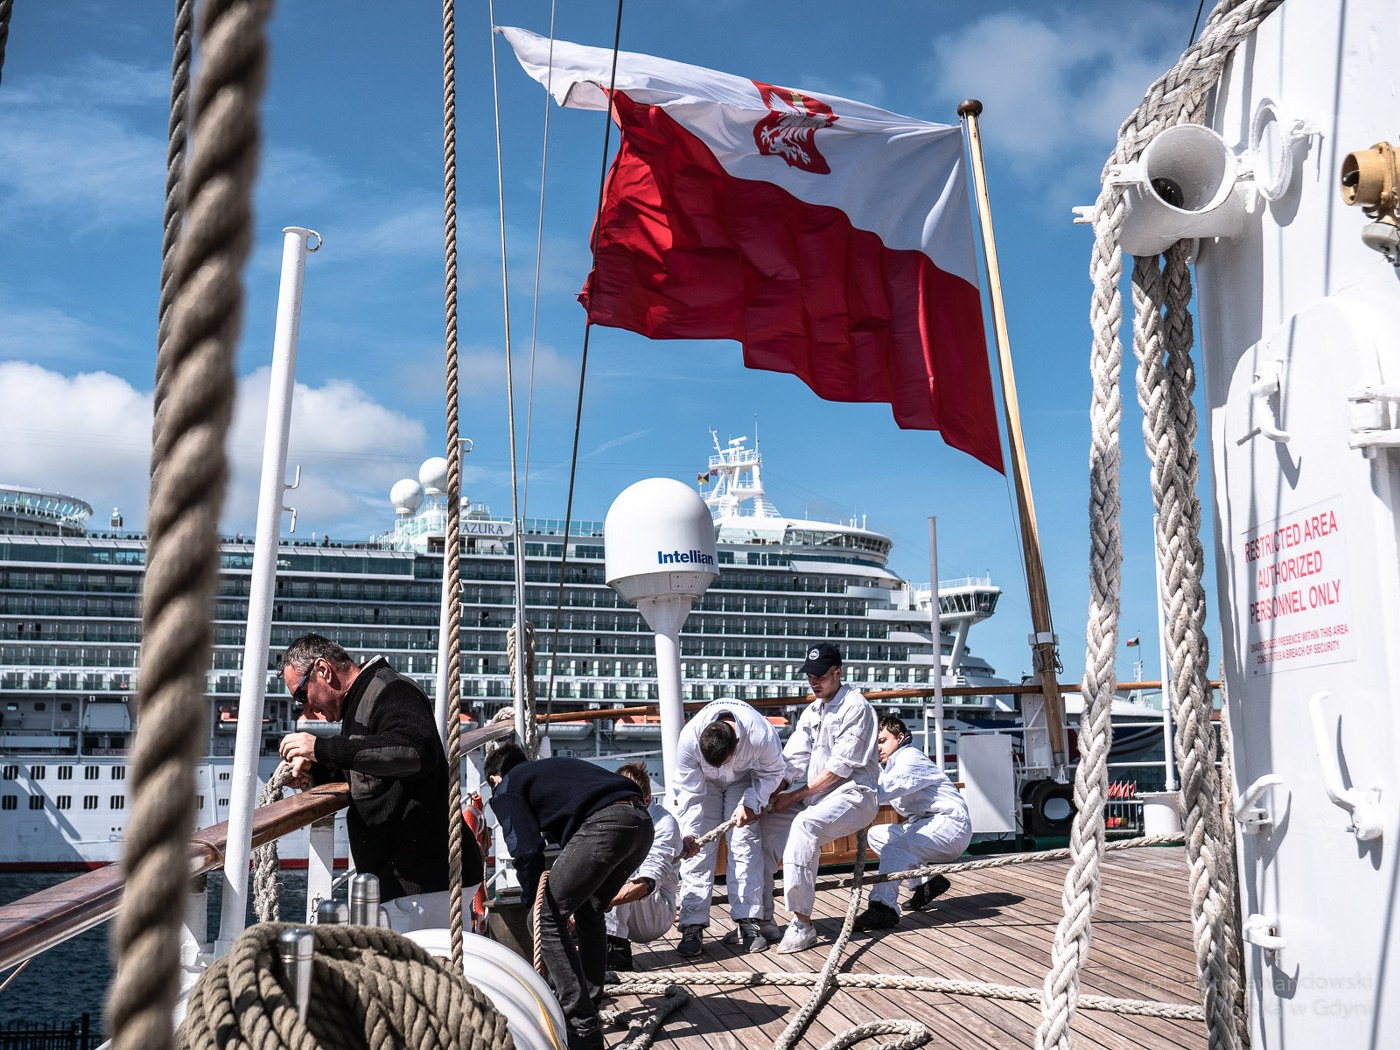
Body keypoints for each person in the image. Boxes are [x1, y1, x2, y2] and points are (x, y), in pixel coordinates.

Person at [276, 634, 481, 932]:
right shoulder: (365, 699)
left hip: (421, 886)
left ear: (323, 670)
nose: (305, 707)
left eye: (301, 694)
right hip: (421, 882)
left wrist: (320, 747)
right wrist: (315, 772)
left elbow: (416, 752)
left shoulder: (391, 690)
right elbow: (374, 766)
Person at [486, 742, 654, 1050]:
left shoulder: (507, 787)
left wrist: (532, 900)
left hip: (607, 824)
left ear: (494, 778)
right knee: (590, 911)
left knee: (544, 917)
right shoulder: (544, 772)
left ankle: (581, 1026)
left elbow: (526, 850)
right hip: (641, 824)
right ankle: (590, 1003)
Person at [761, 642, 880, 954]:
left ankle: (802, 923)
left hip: (855, 795)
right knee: (765, 828)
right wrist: (770, 795)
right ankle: (763, 917)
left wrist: (793, 796)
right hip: (818, 797)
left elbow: (839, 769)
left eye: (821, 676)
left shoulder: (856, 708)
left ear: (837, 673)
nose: (814, 682)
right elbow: (792, 761)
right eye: (810, 676)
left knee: (805, 826)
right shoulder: (813, 710)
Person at [672, 697, 788, 957]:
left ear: (736, 744)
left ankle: (748, 921)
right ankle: (692, 924)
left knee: (744, 844)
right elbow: (689, 792)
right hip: (704, 782)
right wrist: (689, 831)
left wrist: (752, 801)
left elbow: (774, 772)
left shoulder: (761, 735)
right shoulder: (689, 739)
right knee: (697, 848)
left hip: (744, 780)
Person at [853, 714, 973, 932]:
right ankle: (927, 882)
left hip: (951, 825)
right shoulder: (888, 766)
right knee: (877, 835)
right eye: (874, 744)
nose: (878, 748)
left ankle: (883, 907)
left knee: (896, 848)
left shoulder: (909, 758)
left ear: (900, 738)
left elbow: (883, 790)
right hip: (925, 824)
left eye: (882, 741)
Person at [605, 762, 682, 971]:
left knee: (617, 869)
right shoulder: (611, 814)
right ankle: (596, 937)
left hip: (654, 912)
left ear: (646, 800)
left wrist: (598, 904)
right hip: (621, 906)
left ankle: (615, 952)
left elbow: (649, 879)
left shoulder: (664, 824)